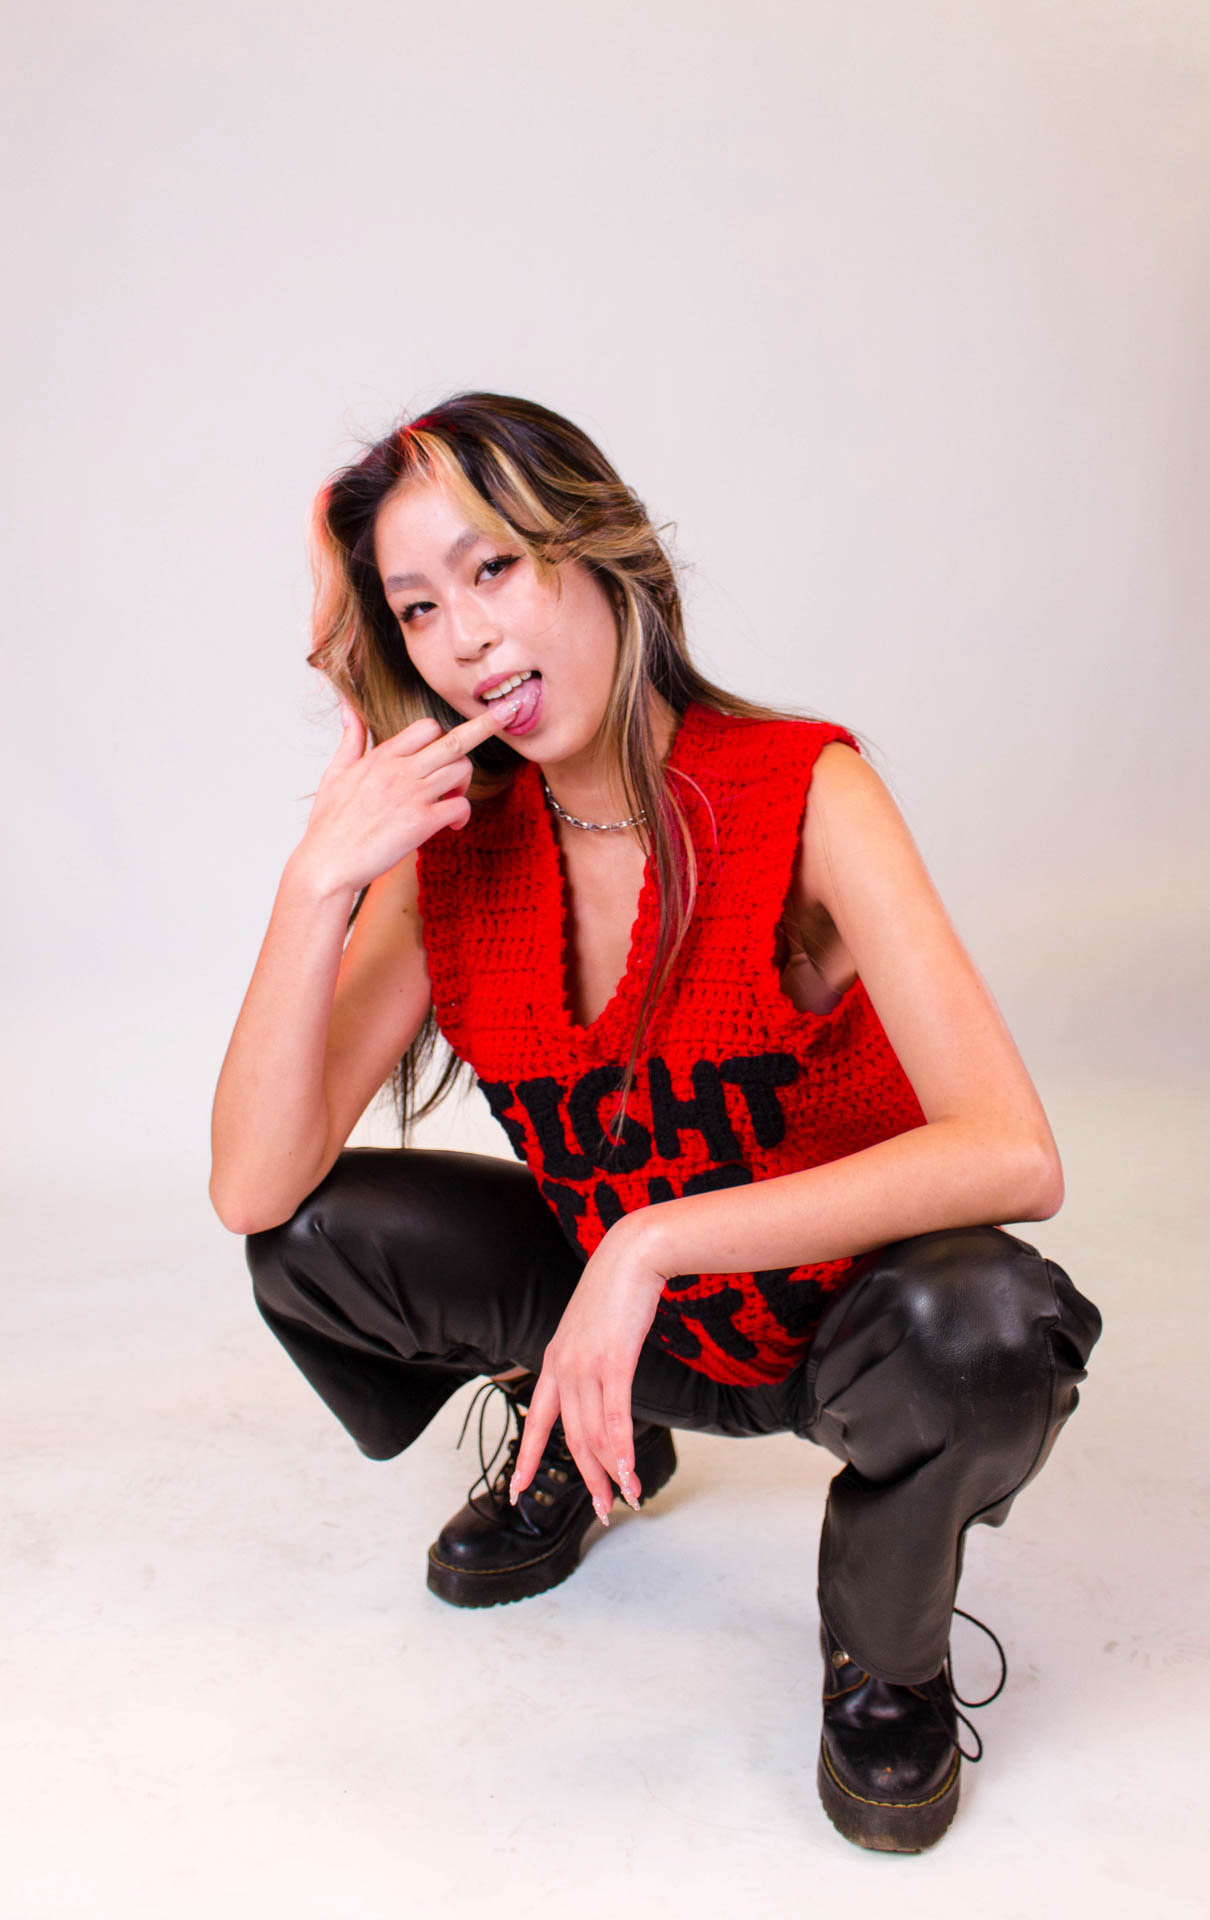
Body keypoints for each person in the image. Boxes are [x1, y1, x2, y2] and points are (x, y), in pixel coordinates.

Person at [210, 390, 1101, 1854]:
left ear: (598, 548)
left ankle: (886, 1653)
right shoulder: (454, 850)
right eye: (417, 607)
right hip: (625, 1323)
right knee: (314, 1239)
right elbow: (254, 1187)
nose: (466, 638)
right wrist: (317, 881)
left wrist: (643, 1246)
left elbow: (1015, 1150)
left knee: (991, 1327)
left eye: (495, 567)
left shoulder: (803, 791)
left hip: (839, 1322)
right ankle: (582, 1436)